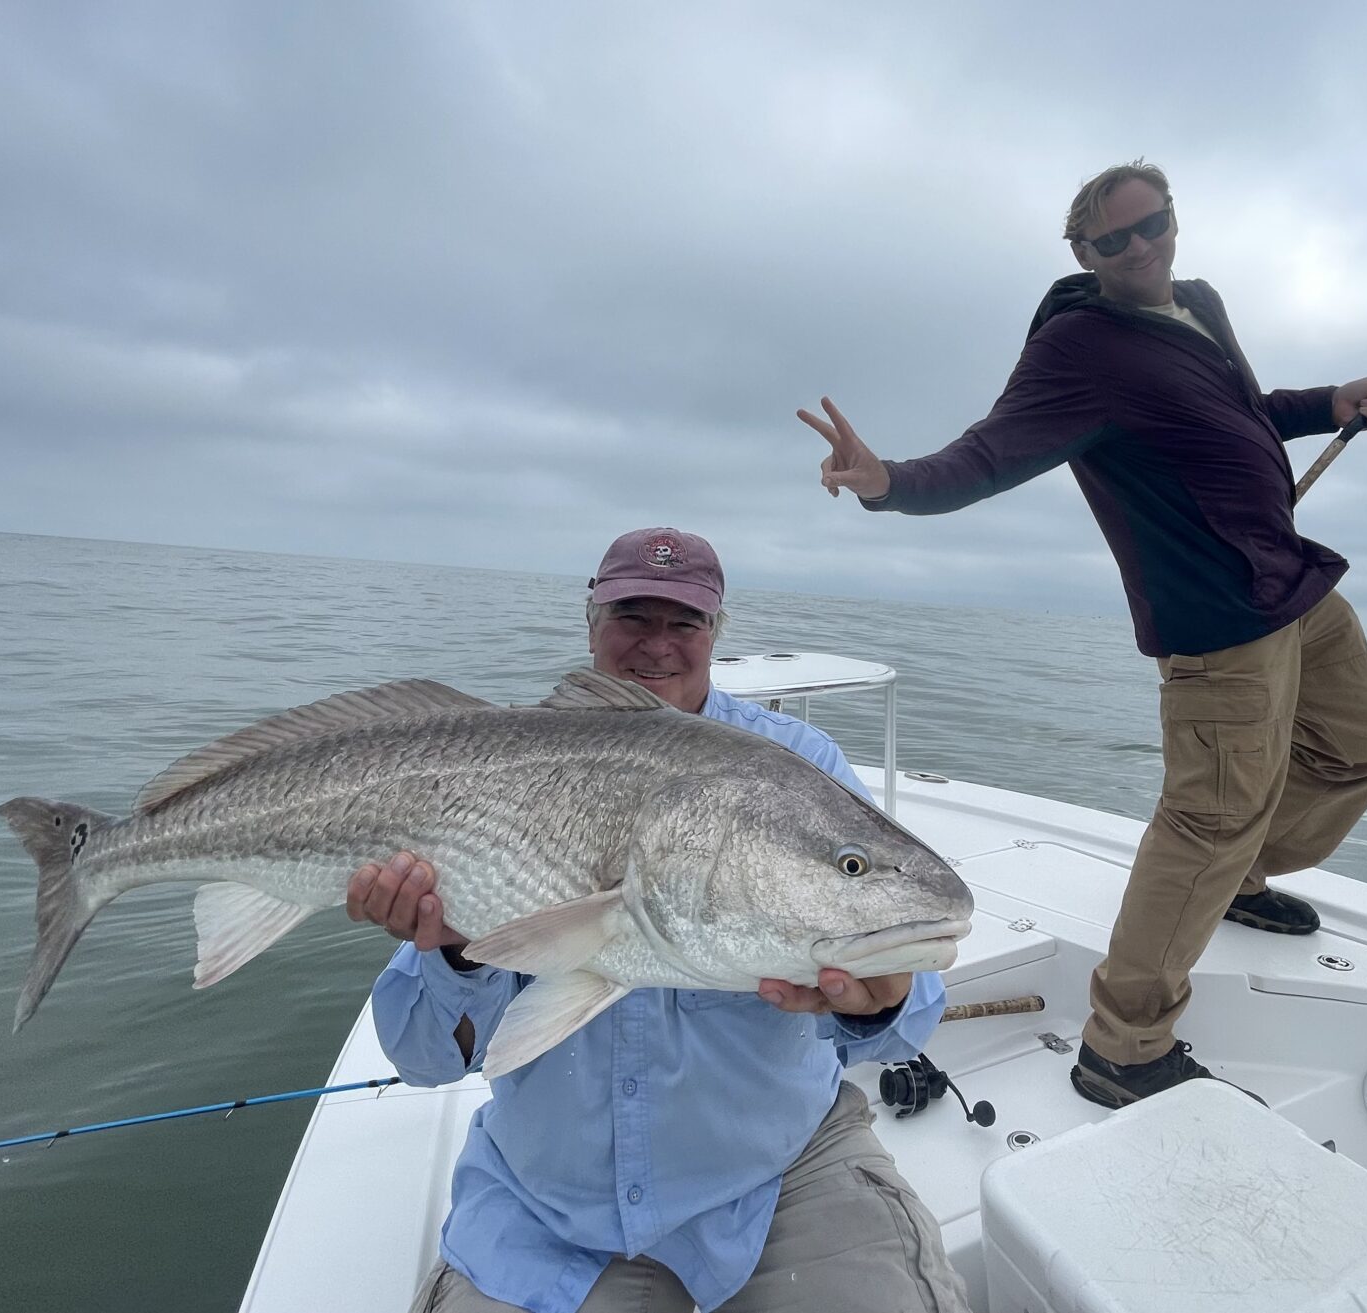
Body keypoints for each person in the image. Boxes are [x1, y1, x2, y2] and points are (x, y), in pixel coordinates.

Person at [796, 160, 1367, 1111]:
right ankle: (1123, 1043)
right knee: (1205, 819)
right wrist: (889, 482)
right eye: (1113, 239)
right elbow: (989, 453)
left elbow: (1243, 412)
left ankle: (1243, 875)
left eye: (1152, 225)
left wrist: (1331, 401)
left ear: (1174, 219)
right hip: (1219, 622)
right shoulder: (1081, 346)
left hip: (1294, 580)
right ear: (1083, 252)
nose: (1140, 248)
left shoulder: (1200, 303)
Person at [346, 526, 970, 1313]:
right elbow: (424, 1056)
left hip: (781, 1181)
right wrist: (460, 952)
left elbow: (903, 1025)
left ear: (717, 632)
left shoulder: (797, 767)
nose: (658, 645)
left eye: (684, 623)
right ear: (590, 620)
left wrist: (880, 995)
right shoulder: (496, 766)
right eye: (632, 616)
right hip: (548, 1213)